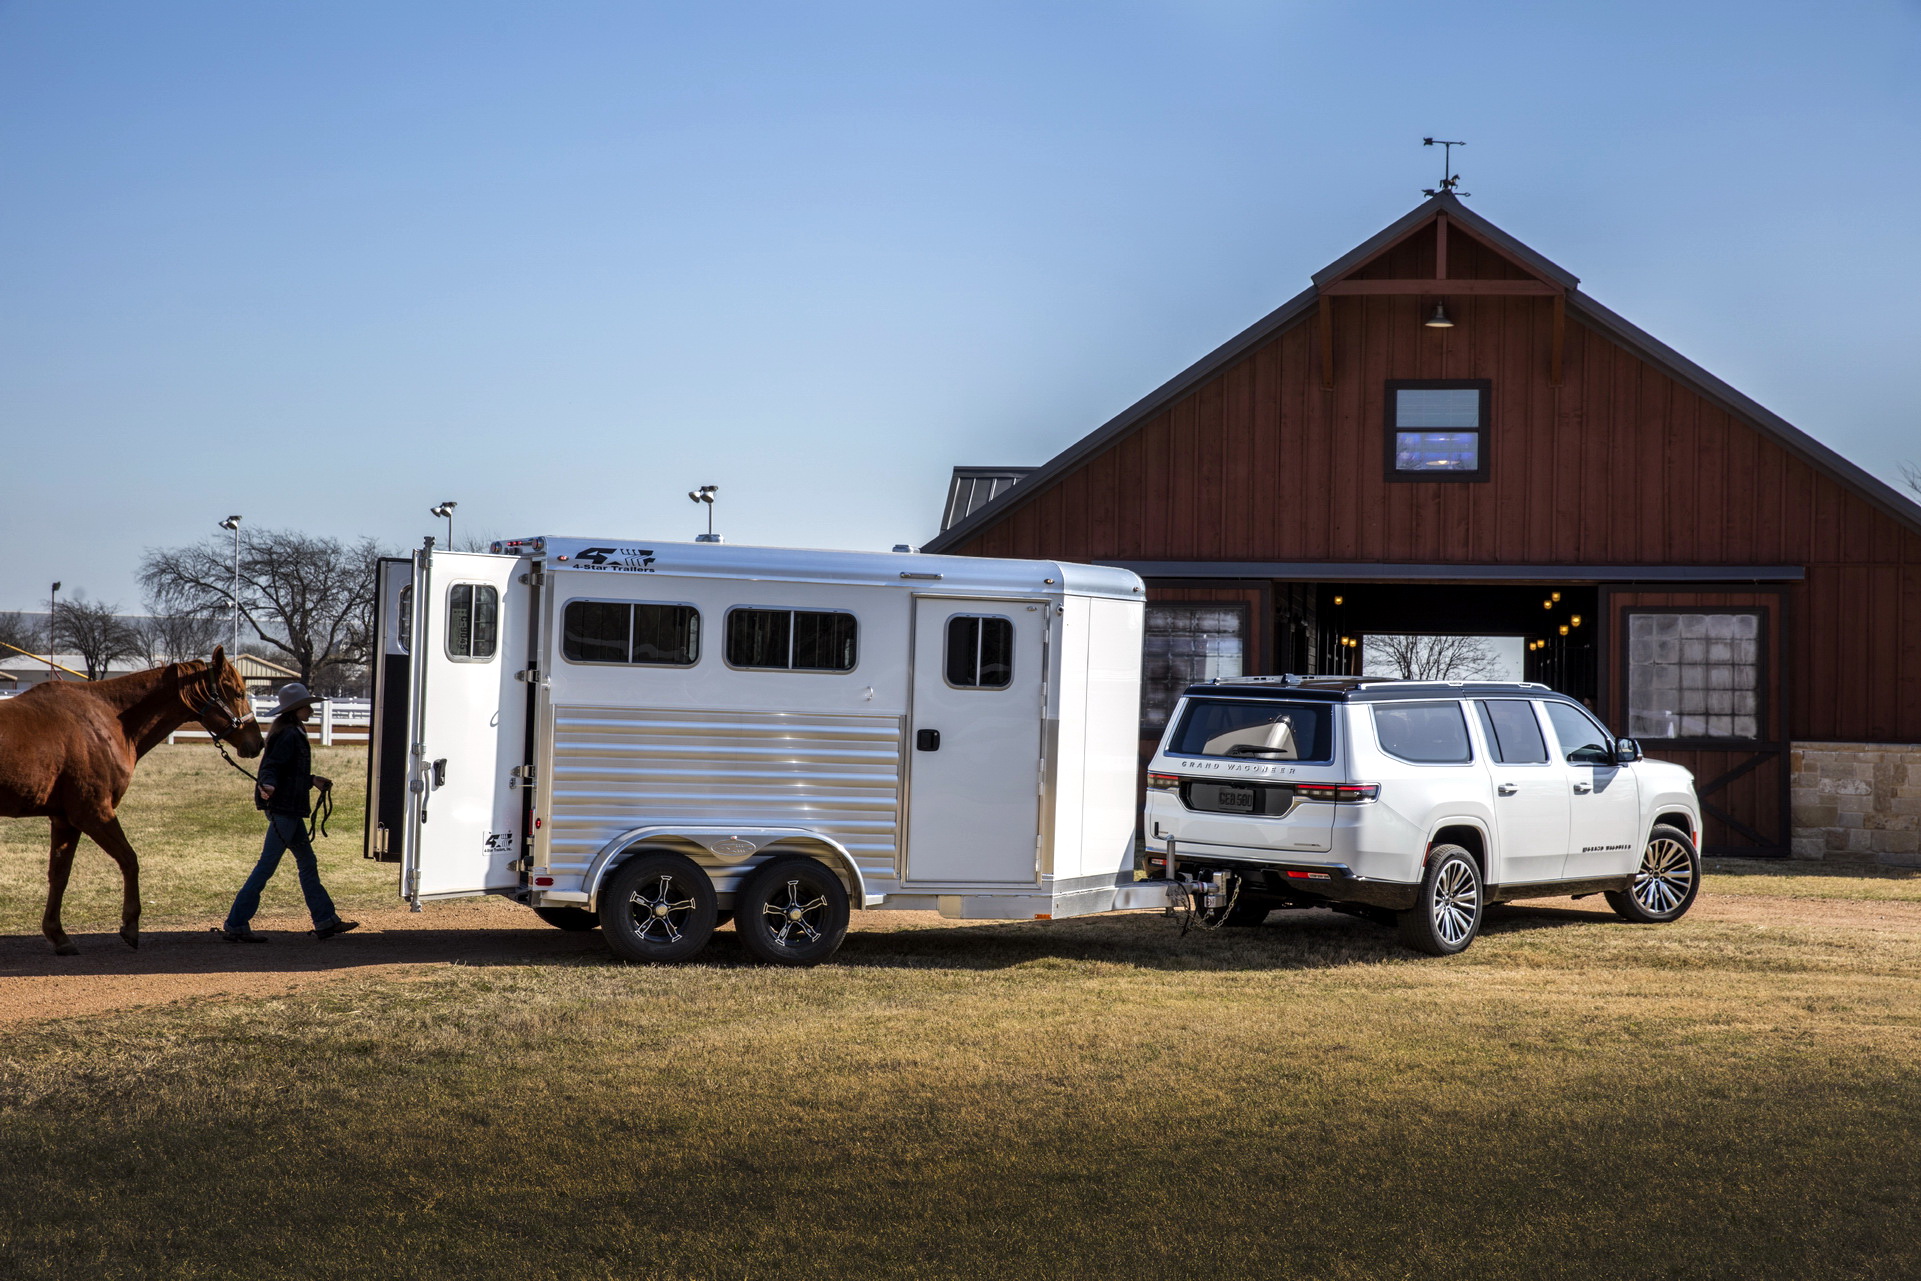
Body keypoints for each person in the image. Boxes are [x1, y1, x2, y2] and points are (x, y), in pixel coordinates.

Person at [216, 683, 359, 943]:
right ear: (296, 709)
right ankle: (236, 923)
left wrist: (312, 779)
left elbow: (290, 772)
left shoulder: (291, 730)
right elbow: (272, 766)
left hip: (289, 810)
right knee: (266, 867)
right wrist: (267, 783)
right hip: (285, 812)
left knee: (306, 863)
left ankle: (326, 920)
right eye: (307, 705)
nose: (311, 709)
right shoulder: (290, 734)